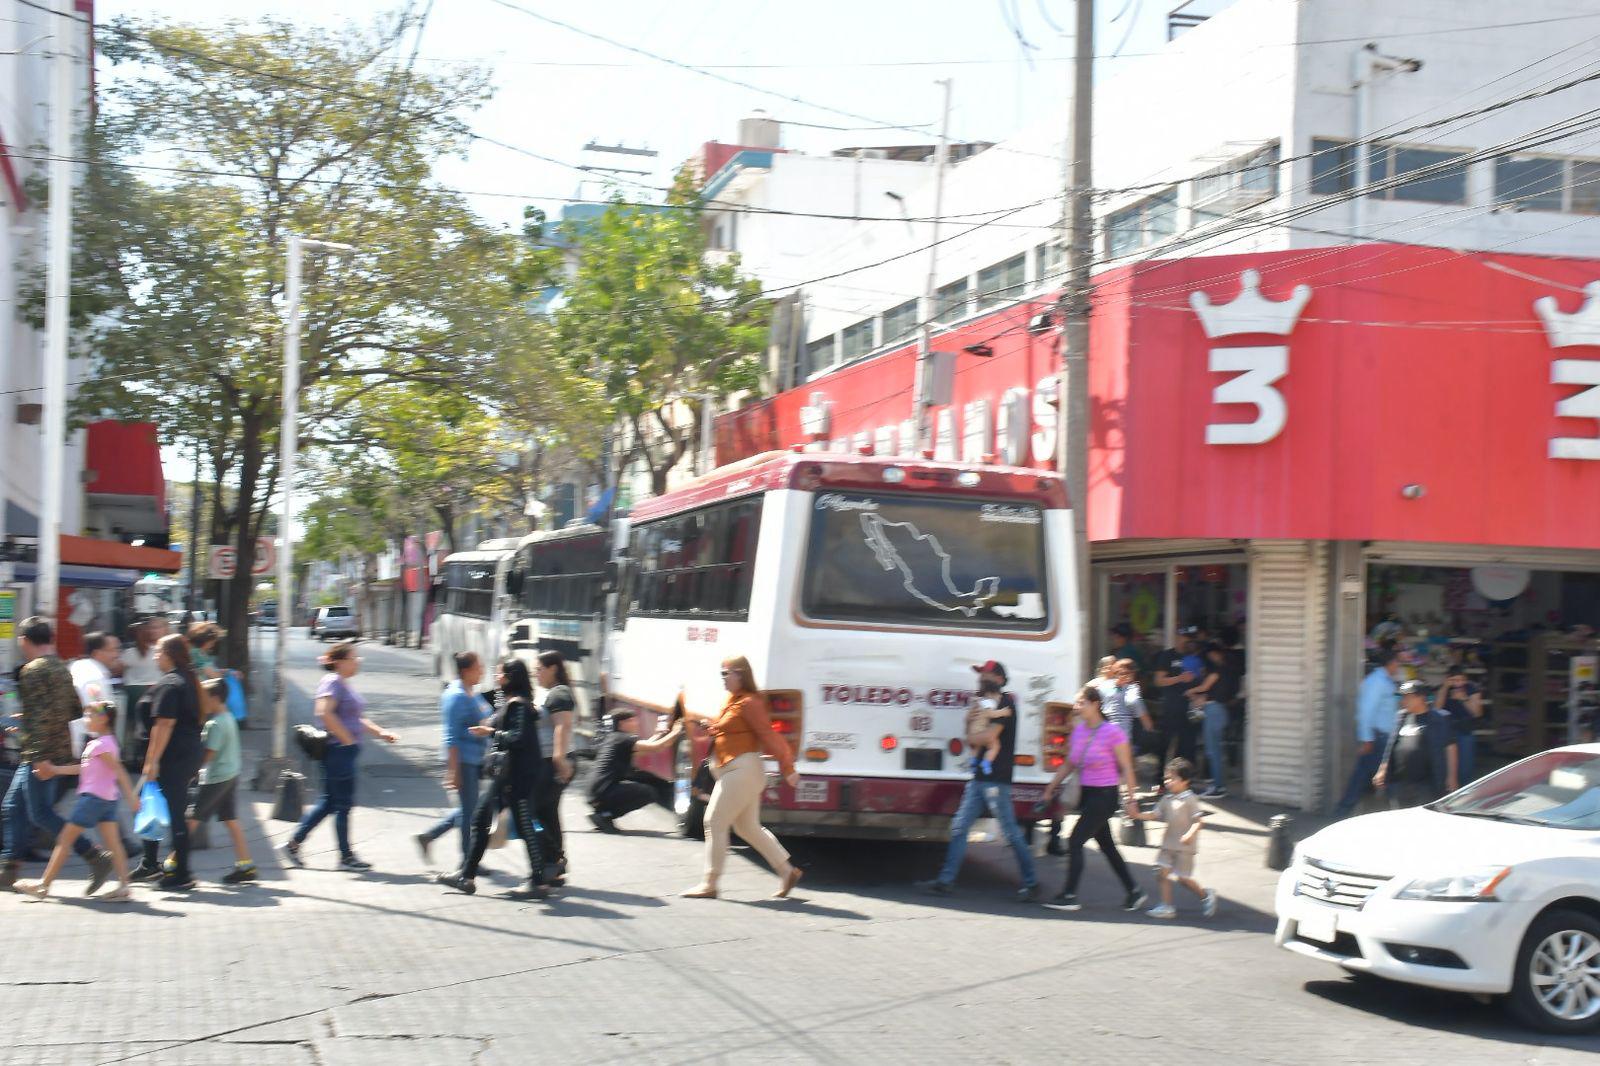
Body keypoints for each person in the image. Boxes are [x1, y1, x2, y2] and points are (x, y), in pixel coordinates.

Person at [1, 618, 114, 893]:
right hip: (56, 748)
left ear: (25, 640)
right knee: (12, 807)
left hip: (42, 753)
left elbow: (43, 717)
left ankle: (94, 855)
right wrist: (28, 719)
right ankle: (8, 868)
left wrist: (40, 755)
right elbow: (72, 710)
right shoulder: (61, 668)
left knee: (40, 814)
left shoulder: (32, 670)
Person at [681, 656, 804, 900]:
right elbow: (731, 728)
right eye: (722, 674)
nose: (723, 679)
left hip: (741, 771)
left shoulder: (750, 702)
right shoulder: (733, 700)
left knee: (714, 821)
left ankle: (710, 883)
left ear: (741, 674)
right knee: (746, 827)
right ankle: (787, 871)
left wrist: (788, 768)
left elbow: (769, 735)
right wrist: (712, 726)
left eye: (726, 674)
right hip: (735, 770)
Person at [918, 660, 1039, 901]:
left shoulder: (1007, 703)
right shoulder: (983, 704)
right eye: (981, 674)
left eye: (987, 674)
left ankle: (1031, 883)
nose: (982, 677)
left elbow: (988, 736)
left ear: (1000, 679)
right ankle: (945, 881)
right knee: (960, 827)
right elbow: (973, 740)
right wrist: (968, 727)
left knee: (1010, 832)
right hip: (980, 778)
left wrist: (973, 734)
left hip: (996, 780)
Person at [436, 658, 550, 898]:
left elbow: (517, 738)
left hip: (516, 776)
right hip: (509, 775)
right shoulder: (512, 702)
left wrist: (491, 731)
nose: (496, 677)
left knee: (524, 825)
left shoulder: (518, 705)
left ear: (510, 677)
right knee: (480, 820)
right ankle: (466, 876)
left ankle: (539, 882)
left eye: (499, 674)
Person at [283, 642, 397, 871]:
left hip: (343, 751)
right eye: (353, 658)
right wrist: (346, 739)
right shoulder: (332, 682)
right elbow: (323, 712)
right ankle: (346, 857)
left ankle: (294, 844)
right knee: (342, 805)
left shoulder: (343, 684)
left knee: (329, 803)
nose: (358, 662)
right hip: (338, 752)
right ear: (339, 662)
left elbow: (355, 719)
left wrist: (380, 732)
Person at [14, 700, 137, 901]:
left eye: (90, 715)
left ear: (104, 719)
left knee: (64, 840)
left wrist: (132, 797)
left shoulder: (100, 745)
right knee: (114, 844)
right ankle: (124, 886)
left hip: (92, 800)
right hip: (107, 800)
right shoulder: (106, 743)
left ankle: (43, 885)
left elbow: (119, 770)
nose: (86, 719)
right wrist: (54, 770)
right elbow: (83, 768)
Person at [1040, 684, 1148, 913]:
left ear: (1095, 704)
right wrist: (1051, 788)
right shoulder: (1079, 731)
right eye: (1077, 703)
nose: (1077, 707)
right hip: (1087, 795)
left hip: (1106, 796)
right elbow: (1070, 763)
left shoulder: (1113, 733)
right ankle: (1134, 891)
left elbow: (1127, 768)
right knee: (1107, 846)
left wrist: (1131, 799)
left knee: (1075, 841)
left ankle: (1069, 895)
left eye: (1081, 703)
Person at [130, 634, 207, 890]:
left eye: (158, 652)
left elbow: (163, 725)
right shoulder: (188, 680)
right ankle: (150, 863)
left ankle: (182, 873)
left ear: (169, 655)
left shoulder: (171, 683)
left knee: (174, 814)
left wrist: (152, 762)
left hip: (171, 759)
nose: (154, 656)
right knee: (149, 804)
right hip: (184, 756)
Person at [175, 678, 255, 883]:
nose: (201, 702)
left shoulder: (215, 724)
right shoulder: (228, 718)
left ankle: (173, 862)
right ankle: (245, 864)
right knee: (230, 820)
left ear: (215, 698)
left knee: (192, 819)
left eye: (204, 698)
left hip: (216, 778)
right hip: (231, 774)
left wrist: (191, 771)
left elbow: (208, 754)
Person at [416, 652, 491, 863]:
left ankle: (430, 836)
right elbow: (451, 736)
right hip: (463, 761)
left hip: (476, 758)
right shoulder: (455, 696)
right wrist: (453, 770)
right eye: (478, 667)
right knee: (471, 813)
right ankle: (468, 860)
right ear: (466, 671)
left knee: (470, 808)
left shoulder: (472, 693)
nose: (482, 671)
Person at [1129, 758, 1216, 919]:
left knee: (1183, 879)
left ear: (1185, 781)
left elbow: (1199, 821)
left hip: (1185, 847)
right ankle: (1167, 906)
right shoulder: (1166, 799)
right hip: (1168, 844)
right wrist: (1137, 815)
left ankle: (1205, 895)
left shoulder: (1190, 799)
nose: (1168, 782)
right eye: (1166, 778)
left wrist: (1190, 835)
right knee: (1161, 873)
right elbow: (1154, 815)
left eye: (1172, 778)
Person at [588, 709, 682, 832]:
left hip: (597, 790)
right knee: (649, 792)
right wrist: (677, 731)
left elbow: (647, 747)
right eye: (632, 720)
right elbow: (656, 747)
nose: (636, 723)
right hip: (603, 791)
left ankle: (603, 812)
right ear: (622, 724)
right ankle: (605, 815)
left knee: (642, 789)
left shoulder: (616, 738)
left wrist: (659, 734)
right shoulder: (623, 739)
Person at [1334, 650, 1402, 818]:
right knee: (1374, 778)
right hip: (1377, 739)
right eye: (1397, 662)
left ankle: (1343, 812)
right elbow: (1365, 713)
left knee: (1368, 777)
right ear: (1391, 663)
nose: (1399, 666)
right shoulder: (1377, 682)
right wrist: (1367, 740)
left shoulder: (1385, 681)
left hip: (1382, 738)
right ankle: (1341, 814)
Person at [1374, 680, 1459, 809]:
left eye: (1408, 697)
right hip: (1401, 783)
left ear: (1421, 697)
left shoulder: (1440, 719)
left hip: (1427, 785)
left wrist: (1452, 777)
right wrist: (1382, 769)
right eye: (1403, 697)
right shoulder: (1401, 717)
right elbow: (1391, 745)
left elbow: (1451, 747)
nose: (1403, 701)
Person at [532, 651, 576, 880]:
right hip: (550, 761)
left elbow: (563, 727)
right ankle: (554, 866)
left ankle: (553, 860)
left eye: (538, 669)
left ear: (553, 669)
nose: (535, 674)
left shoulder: (559, 693)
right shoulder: (552, 692)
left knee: (532, 811)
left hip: (554, 761)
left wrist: (559, 760)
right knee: (547, 813)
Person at [1187, 644, 1240, 799]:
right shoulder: (1230, 672)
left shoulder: (1218, 671)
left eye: (1211, 655)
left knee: (1213, 751)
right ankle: (1217, 783)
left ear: (1216, 654)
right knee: (1215, 750)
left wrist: (1191, 690)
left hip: (1214, 711)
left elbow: (1204, 686)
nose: (1209, 658)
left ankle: (1218, 787)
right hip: (1220, 710)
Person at [1152, 629, 1201, 767]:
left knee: (1188, 745)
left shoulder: (1195, 657)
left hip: (1191, 708)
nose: (1187, 641)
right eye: (1185, 637)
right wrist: (1180, 678)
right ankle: (1160, 780)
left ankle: (1184, 781)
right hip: (1171, 707)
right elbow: (1158, 680)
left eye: (1190, 639)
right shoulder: (1168, 656)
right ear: (1177, 637)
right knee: (1165, 743)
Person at [119, 619, 165, 761]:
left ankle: (128, 755)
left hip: (132, 693)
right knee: (150, 726)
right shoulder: (158, 652)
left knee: (130, 725)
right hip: (153, 692)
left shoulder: (129, 653)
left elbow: (117, 670)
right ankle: (147, 756)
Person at [1437, 669, 1484, 784]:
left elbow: (1477, 713)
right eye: (1454, 680)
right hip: (1448, 730)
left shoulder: (1472, 688)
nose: (1458, 683)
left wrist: (1464, 699)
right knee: (1447, 765)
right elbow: (1437, 708)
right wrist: (1444, 688)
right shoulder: (1445, 688)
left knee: (1465, 766)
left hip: (1465, 730)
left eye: (1461, 680)